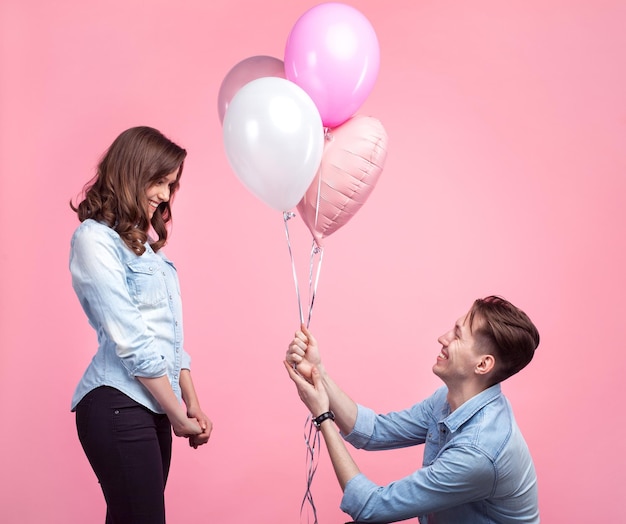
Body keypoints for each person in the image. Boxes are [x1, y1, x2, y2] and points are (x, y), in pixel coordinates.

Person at [285, 295, 540, 524]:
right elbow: (374, 431)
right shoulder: (450, 399)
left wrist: (324, 416)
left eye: (457, 335)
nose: (443, 338)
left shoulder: (480, 451)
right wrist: (320, 372)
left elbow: (371, 508)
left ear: (483, 364)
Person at [69, 126, 212, 524]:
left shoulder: (145, 248)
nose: (166, 196)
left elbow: (169, 337)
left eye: (172, 185)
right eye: (161, 181)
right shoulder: (93, 240)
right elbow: (132, 340)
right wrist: (177, 413)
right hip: (116, 403)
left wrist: (191, 403)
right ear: (134, 171)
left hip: (154, 408)